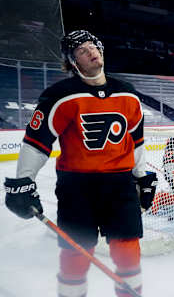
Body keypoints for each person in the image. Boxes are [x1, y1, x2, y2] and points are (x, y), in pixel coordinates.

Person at [3, 30, 157, 297]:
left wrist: (142, 176)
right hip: (77, 188)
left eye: (92, 46)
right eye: (81, 51)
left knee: (128, 253)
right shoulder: (60, 95)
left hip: (120, 186)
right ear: (73, 63)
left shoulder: (128, 94)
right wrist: (23, 182)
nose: (90, 51)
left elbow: (136, 140)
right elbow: (37, 142)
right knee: (75, 259)